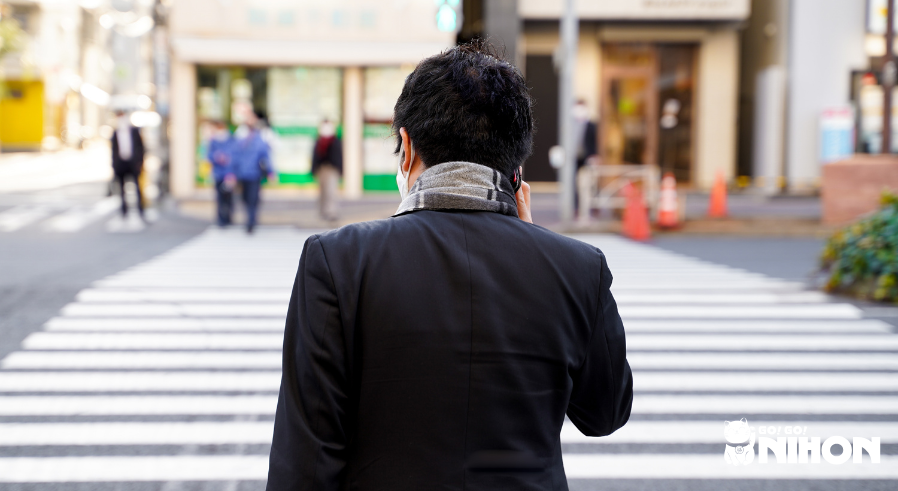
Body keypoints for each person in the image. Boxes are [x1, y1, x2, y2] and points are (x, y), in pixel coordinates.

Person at [267, 42, 632, 491]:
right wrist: (535, 243)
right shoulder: (578, 268)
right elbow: (605, 415)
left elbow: (303, 464)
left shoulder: (338, 260)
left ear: (406, 147)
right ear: (516, 167)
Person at [229, 115, 276, 234]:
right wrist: (232, 173)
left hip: (253, 175)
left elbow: (265, 156)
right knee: (247, 198)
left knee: (252, 199)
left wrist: (271, 171)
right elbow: (234, 158)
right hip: (243, 175)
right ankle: (250, 219)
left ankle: (251, 221)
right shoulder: (240, 139)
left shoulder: (257, 140)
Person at [110, 109, 145, 219]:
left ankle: (140, 209)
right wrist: (114, 165)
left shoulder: (134, 131)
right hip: (121, 164)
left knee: (137, 188)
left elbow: (141, 148)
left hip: (133, 163)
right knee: (122, 189)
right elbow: (113, 150)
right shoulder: (115, 133)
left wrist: (140, 163)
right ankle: (124, 211)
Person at [311, 119, 343, 222]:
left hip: (332, 169)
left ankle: (332, 212)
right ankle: (323, 212)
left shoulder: (335, 140)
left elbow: (339, 156)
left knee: (331, 192)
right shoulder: (319, 141)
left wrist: (340, 170)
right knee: (322, 192)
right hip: (321, 169)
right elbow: (315, 156)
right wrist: (313, 169)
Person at [207, 120, 234, 227]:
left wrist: (231, 171)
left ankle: (228, 217)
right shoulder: (213, 141)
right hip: (218, 174)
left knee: (229, 198)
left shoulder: (231, 140)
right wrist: (216, 157)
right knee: (219, 198)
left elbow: (235, 155)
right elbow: (209, 155)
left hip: (229, 174)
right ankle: (221, 219)